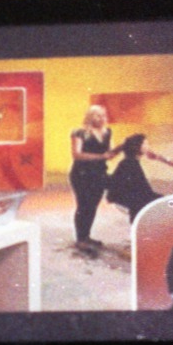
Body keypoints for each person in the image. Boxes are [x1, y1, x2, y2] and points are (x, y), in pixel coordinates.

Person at [68, 104, 117, 248]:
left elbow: (109, 153)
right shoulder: (79, 133)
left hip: (99, 173)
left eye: (103, 115)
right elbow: (77, 154)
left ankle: (86, 236)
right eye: (98, 115)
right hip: (82, 174)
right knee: (83, 206)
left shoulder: (107, 132)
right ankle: (80, 238)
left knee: (92, 206)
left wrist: (120, 149)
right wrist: (101, 156)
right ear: (90, 117)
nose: (102, 118)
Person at [104, 133, 162, 223]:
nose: (148, 146)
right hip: (129, 197)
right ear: (138, 147)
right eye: (145, 144)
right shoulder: (131, 163)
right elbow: (142, 188)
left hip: (130, 196)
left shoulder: (130, 161)